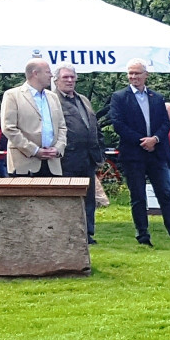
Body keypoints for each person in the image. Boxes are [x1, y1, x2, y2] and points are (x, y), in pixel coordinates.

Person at [109, 60, 170, 247]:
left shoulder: (156, 98)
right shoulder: (120, 97)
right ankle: (143, 235)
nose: (133, 77)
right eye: (130, 73)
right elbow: (118, 124)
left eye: (137, 73)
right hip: (133, 154)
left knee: (166, 194)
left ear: (146, 75)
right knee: (138, 196)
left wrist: (155, 139)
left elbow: (165, 123)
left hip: (155, 153)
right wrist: (142, 141)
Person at [53, 66, 104, 243]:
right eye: (65, 77)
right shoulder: (53, 100)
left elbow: (94, 125)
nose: (70, 80)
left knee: (88, 197)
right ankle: (69, 233)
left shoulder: (83, 99)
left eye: (72, 77)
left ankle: (87, 233)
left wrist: (100, 150)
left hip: (88, 158)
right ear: (56, 80)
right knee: (69, 198)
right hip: (66, 159)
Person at [1, 58, 68, 178]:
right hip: (24, 165)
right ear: (35, 73)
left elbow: (62, 127)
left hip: (52, 164)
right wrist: (34, 150)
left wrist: (58, 149)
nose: (51, 75)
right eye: (48, 72)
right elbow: (8, 128)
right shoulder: (12, 95)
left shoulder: (53, 97)